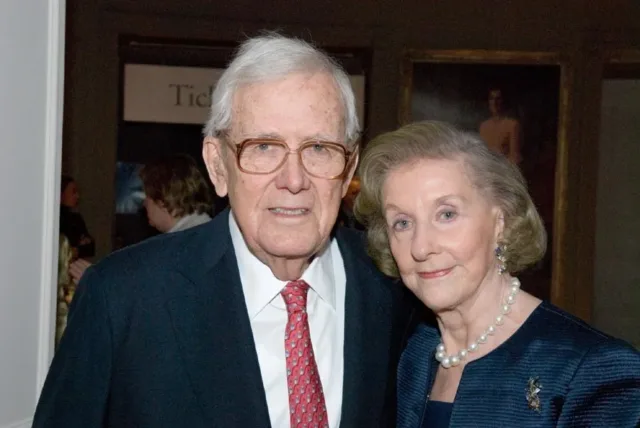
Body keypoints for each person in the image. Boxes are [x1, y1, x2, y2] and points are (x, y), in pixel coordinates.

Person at [33, 34, 414, 427]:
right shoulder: (123, 298)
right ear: (217, 167)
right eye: (264, 147)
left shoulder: (396, 285)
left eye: (319, 148)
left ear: (348, 168)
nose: (294, 179)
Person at [355, 120, 640, 427]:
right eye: (403, 223)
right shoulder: (412, 356)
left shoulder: (592, 369)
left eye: (447, 214)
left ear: (500, 222)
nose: (421, 248)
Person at [68, 154, 214, 285]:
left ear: (162, 199)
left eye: (147, 196)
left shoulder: (184, 246)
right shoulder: (201, 234)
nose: (144, 203)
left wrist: (98, 283)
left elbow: (150, 303)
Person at [479, 87, 522, 164]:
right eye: (492, 99)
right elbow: (481, 154)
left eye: (498, 99)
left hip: (503, 171)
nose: (495, 102)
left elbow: (514, 157)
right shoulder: (483, 126)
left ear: (503, 101)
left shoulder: (512, 125)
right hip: (486, 170)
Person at [59, 175, 95, 258]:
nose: (77, 196)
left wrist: (76, 250)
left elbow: (90, 247)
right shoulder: (55, 220)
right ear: (61, 194)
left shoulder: (76, 219)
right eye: (73, 192)